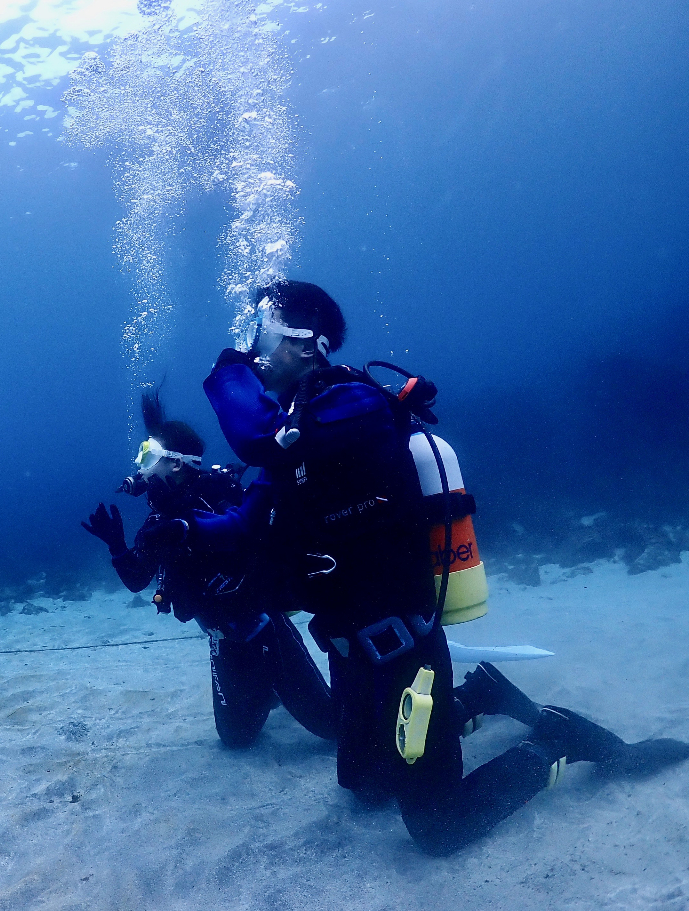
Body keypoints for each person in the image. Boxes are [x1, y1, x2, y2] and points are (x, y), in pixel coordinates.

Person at [192, 278, 689, 855]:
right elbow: (249, 520)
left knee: (438, 828)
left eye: (263, 337)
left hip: (405, 647)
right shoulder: (299, 436)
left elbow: (260, 441)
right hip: (347, 647)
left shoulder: (354, 405)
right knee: (364, 784)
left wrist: (225, 370)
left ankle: (555, 744)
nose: (254, 351)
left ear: (308, 345)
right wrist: (184, 532)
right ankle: (480, 697)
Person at [82, 390, 337, 749]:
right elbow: (138, 579)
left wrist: (188, 524)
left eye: (147, 455)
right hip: (221, 635)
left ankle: (283, 681)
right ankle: (264, 689)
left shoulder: (218, 498)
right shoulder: (159, 520)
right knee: (236, 737)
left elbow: (250, 539)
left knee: (331, 723)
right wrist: (116, 544)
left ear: (176, 464)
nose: (139, 466)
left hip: (263, 623)